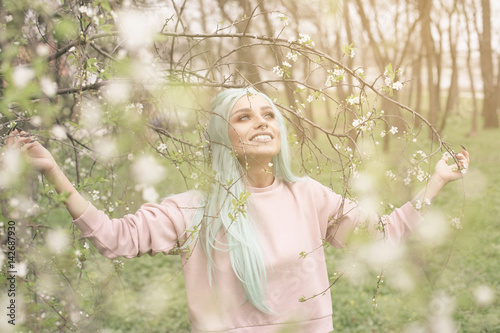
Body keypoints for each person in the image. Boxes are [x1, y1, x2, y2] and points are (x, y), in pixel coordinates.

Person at [6, 88, 469, 332]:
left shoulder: (308, 195)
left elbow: (382, 235)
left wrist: (436, 182)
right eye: (243, 117)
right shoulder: (192, 210)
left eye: (268, 115)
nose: (261, 124)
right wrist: (52, 172)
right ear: (222, 137)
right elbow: (111, 237)